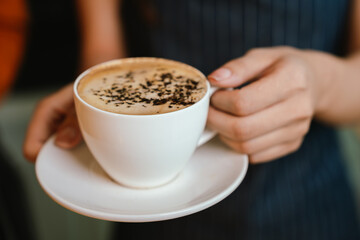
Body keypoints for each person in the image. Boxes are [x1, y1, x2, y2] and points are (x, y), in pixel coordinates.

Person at [23, 0, 360, 239]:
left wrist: (322, 84)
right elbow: (103, 48)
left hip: (308, 207)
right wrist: (96, 112)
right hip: (147, 215)